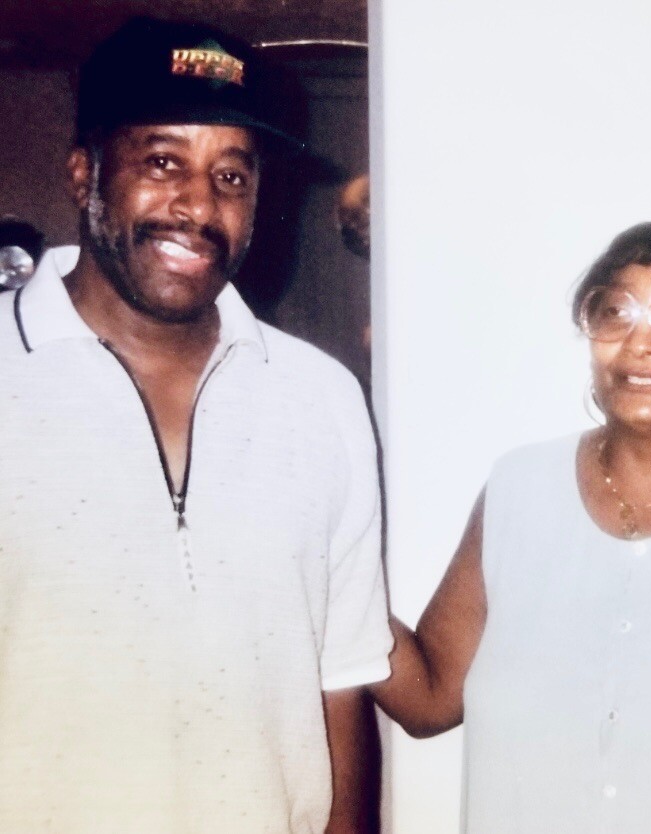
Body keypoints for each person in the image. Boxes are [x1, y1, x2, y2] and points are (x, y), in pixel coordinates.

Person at [0, 17, 391, 834]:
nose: (199, 206)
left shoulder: (322, 397)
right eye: (163, 162)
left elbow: (341, 680)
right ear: (84, 172)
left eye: (232, 176)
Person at [371, 220, 651, 833]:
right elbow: (428, 698)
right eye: (616, 312)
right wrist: (325, 568)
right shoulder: (520, 488)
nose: (640, 343)